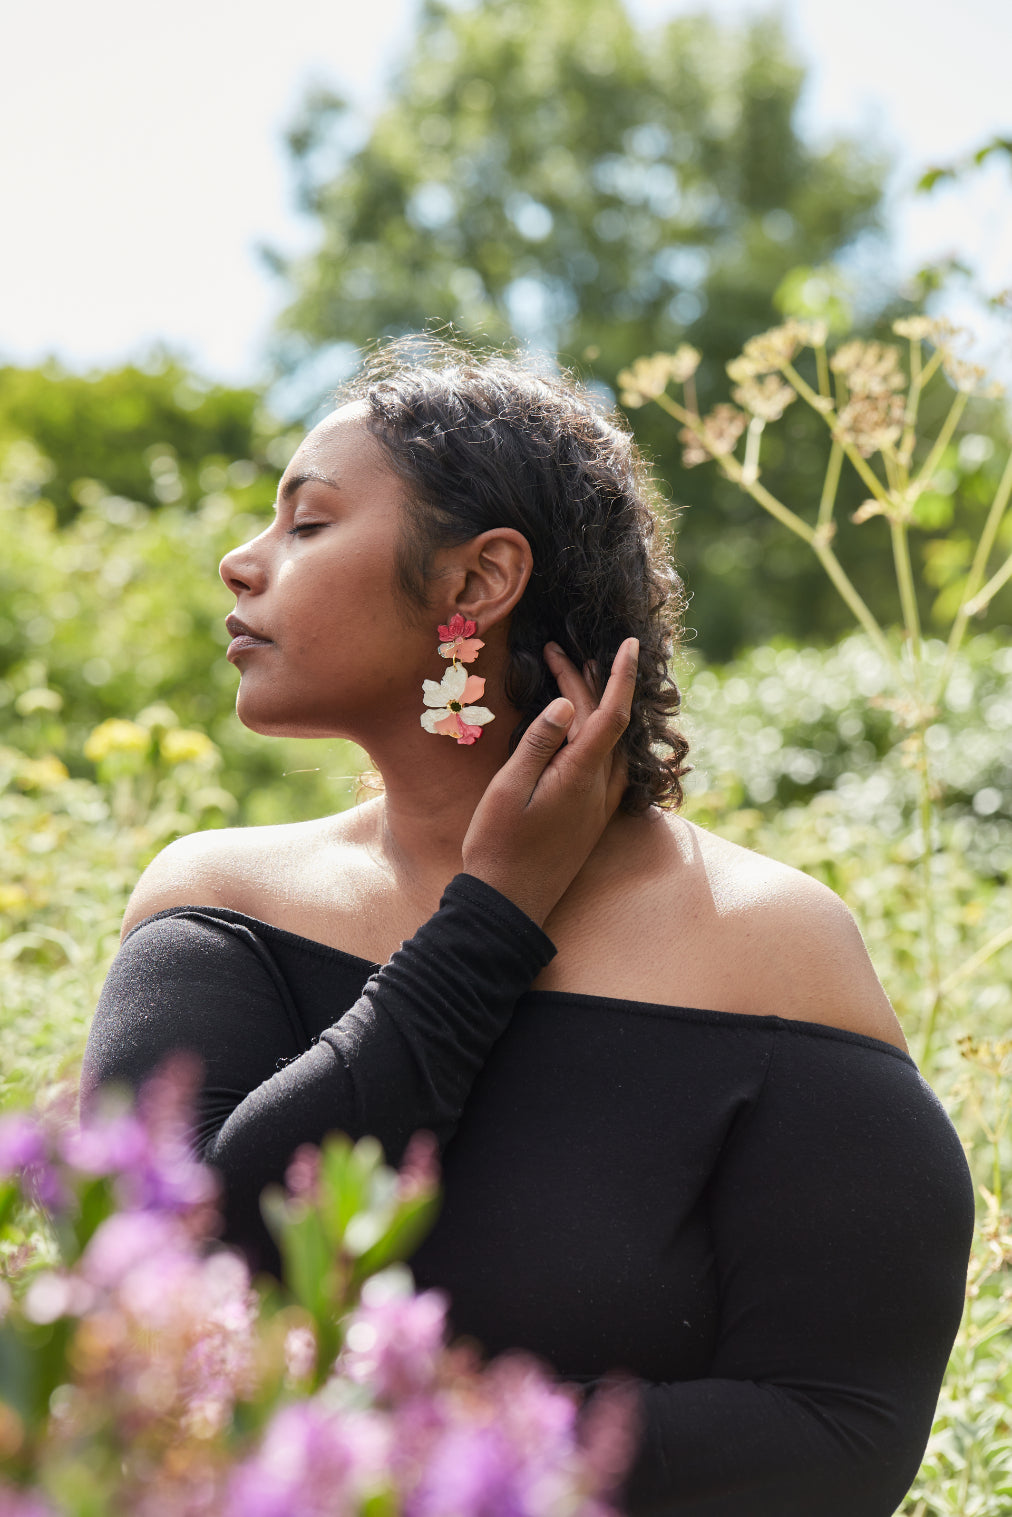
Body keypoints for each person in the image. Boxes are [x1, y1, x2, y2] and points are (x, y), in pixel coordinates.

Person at [81, 342, 974, 1517]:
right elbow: (163, 1284)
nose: (239, 561)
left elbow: (835, 1427)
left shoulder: (771, 948)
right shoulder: (220, 903)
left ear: (476, 581)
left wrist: (399, 1452)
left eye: (308, 523)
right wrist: (486, 928)